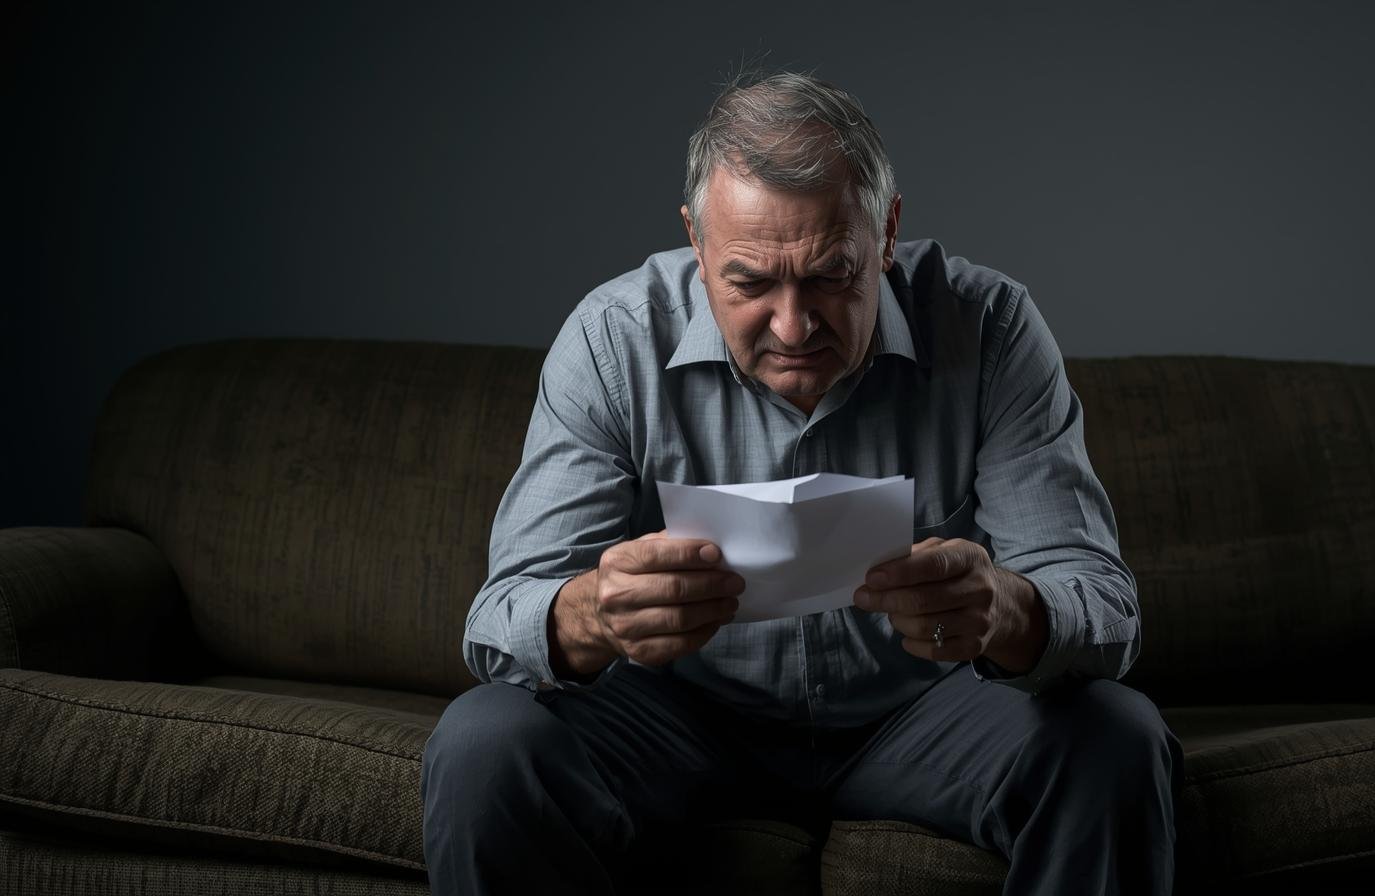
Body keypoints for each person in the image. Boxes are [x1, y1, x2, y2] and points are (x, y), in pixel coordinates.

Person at [422, 68, 1183, 895]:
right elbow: (499, 619)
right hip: (677, 718)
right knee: (482, 744)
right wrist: (593, 613)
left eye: (830, 275)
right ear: (697, 244)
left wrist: (1007, 608)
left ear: (886, 233)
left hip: (923, 714)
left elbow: (1103, 602)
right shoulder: (612, 341)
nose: (794, 326)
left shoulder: (989, 327)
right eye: (749, 282)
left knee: (1116, 737)